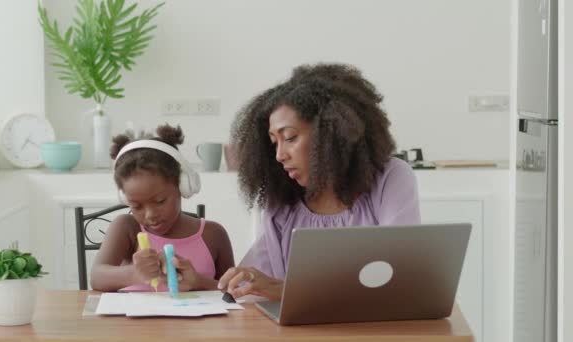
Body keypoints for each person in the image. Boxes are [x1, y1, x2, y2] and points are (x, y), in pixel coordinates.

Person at [217, 63, 421, 300]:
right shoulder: (282, 203)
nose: (279, 155)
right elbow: (256, 286)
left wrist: (289, 290)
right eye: (274, 142)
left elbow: (399, 278)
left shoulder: (390, 178)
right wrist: (205, 283)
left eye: (290, 138)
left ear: (331, 132)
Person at [91, 123, 235, 292]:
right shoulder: (127, 228)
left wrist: (198, 282)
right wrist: (133, 273)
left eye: (160, 201)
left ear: (182, 186)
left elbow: (233, 292)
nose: (150, 215)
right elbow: (96, 277)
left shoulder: (214, 234)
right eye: (136, 206)